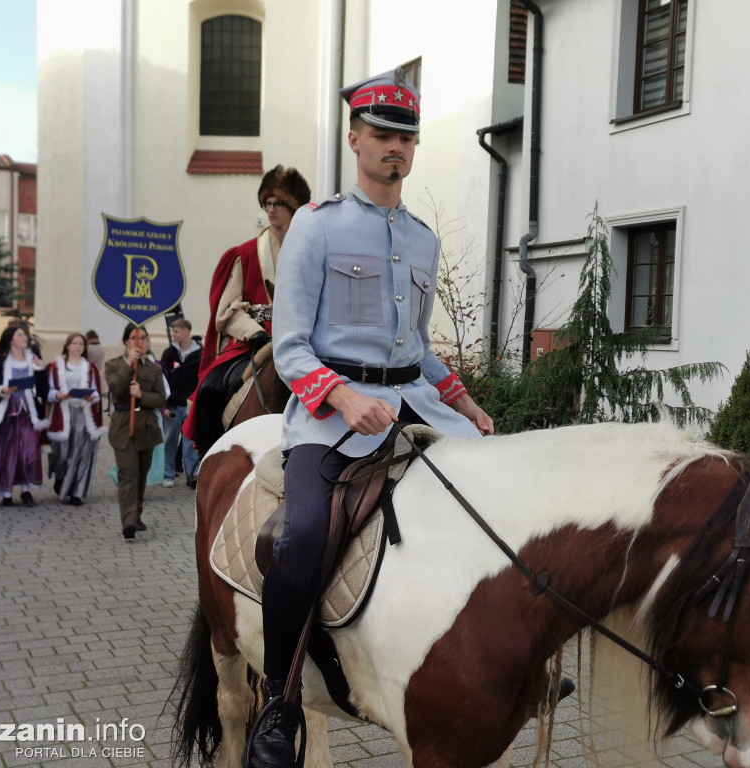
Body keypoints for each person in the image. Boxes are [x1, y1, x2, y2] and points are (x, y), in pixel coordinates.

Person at [248, 68, 494, 768]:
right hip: (330, 419)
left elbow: (417, 348)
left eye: (406, 138)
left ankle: (506, 660)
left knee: (494, 505)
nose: (396, 148)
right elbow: (290, 347)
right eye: (382, 135)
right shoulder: (316, 227)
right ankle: (279, 702)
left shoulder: (422, 240)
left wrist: (463, 400)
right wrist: (343, 398)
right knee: (302, 535)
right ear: (354, 139)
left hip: (416, 405)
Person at [184, 164, 312, 457]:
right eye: (268, 203)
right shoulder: (244, 253)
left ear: (293, 207)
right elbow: (226, 311)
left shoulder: (310, 252)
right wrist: (254, 333)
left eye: (278, 203)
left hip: (303, 339)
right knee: (210, 389)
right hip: (252, 343)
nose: (271, 209)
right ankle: (208, 457)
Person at [104, 323, 166, 540]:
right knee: (128, 474)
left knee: (141, 475)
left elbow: (161, 399)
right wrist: (129, 363)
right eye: (134, 337)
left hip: (146, 427)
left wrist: (142, 395)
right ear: (126, 342)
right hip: (123, 427)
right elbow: (116, 389)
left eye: (144, 338)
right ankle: (128, 522)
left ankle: (136, 515)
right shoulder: (113, 364)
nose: (140, 342)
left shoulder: (154, 368)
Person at [0, 325, 50, 506]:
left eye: (24, 335)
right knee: (9, 452)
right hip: (7, 411)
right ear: (11, 340)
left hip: (29, 411)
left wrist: (39, 368)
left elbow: (44, 390)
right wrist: (4, 390)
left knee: (29, 450)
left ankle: (26, 490)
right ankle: (7, 492)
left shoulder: (33, 359)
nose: (24, 337)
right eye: (20, 335)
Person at [46, 332, 108, 506]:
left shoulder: (90, 367)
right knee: (62, 453)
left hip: (83, 413)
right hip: (63, 413)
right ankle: (60, 476)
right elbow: (49, 391)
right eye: (74, 343)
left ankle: (77, 493)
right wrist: (59, 395)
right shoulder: (55, 366)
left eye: (81, 344)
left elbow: (96, 391)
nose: (78, 347)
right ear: (67, 345)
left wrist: (91, 397)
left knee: (81, 454)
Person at [160, 317, 202, 488]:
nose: (174, 335)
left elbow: (202, 378)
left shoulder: (200, 353)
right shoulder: (169, 353)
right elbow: (163, 379)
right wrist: (165, 405)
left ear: (186, 332)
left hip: (192, 405)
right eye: (173, 332)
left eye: (176, 331)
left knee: (190, 443)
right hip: (173, 405)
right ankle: (168, 474)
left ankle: (192, 474)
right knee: (169, 440)